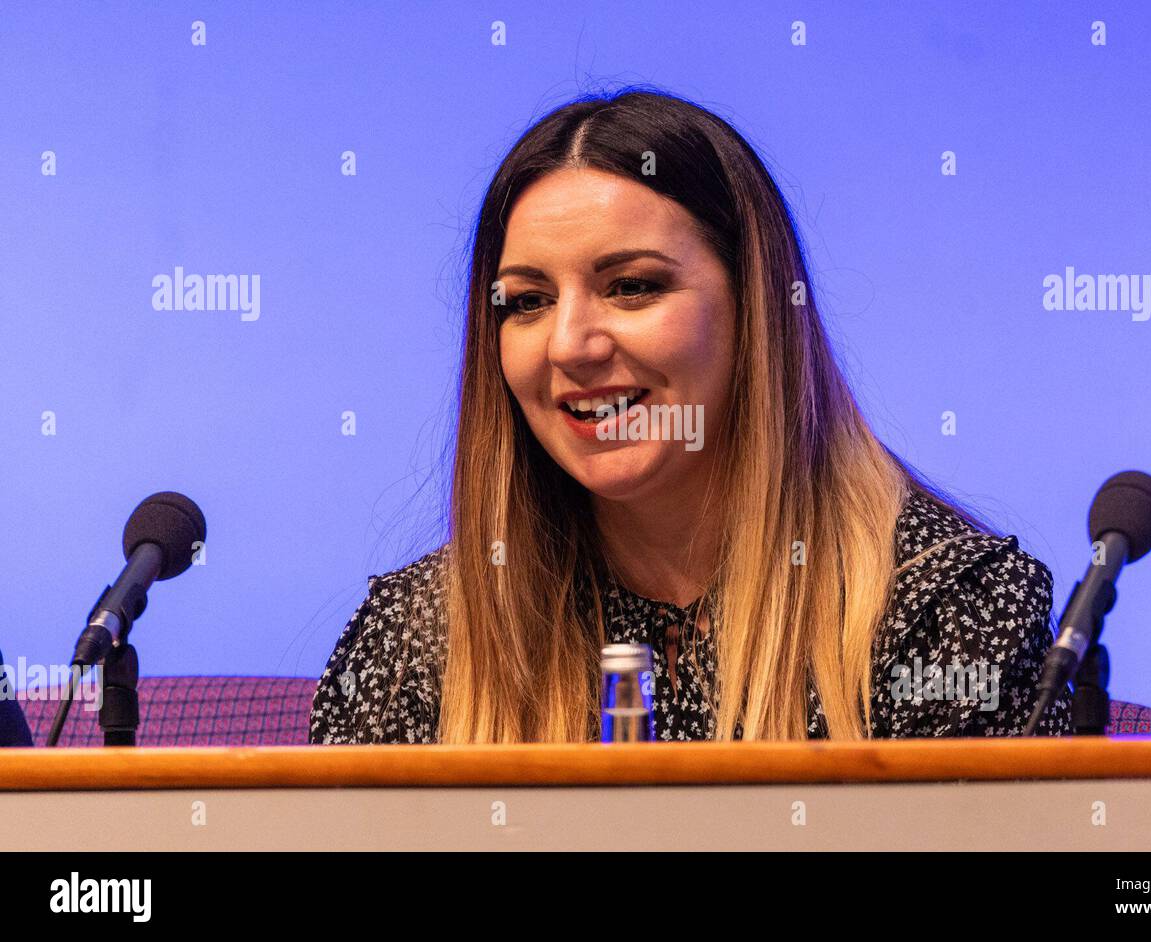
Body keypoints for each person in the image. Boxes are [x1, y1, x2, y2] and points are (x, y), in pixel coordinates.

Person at [310, 87, 1072, 745]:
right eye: (528, 302)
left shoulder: (945, 606)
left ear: (757, 309)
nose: (570, 344)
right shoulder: (420, 634)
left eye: (632, 287)